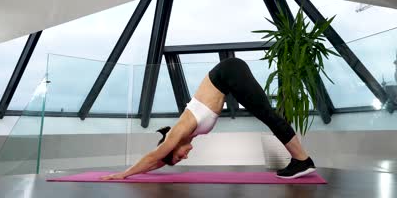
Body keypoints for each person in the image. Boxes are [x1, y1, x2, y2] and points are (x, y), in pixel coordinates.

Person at [101, 58, 315, 180]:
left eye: (178, 157)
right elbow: (157, 162)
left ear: (171, 146)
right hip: (227, 77)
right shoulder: (184, 136)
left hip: (227, 72)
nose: (184, 157)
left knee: (267, 114)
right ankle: (300, 160)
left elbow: (153, 156)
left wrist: (123, 174)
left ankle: (302, 161)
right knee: (266, 113)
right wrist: (147, 168)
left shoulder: (177, 133)